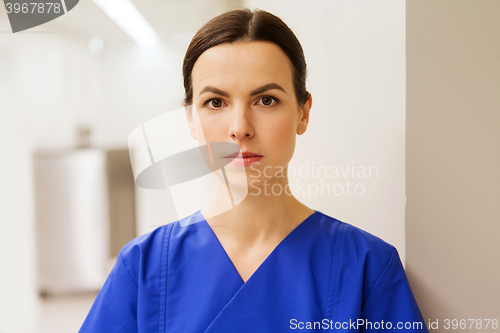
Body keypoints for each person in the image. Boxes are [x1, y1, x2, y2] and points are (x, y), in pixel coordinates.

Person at [79, 8, 429, 332]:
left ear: (303, 113)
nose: (240, 128)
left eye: (266, 100)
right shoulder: (143, 269)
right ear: (190, 119)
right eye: (215, 103)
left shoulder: (366, 269)